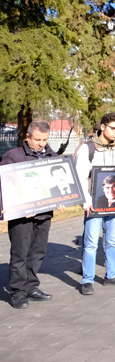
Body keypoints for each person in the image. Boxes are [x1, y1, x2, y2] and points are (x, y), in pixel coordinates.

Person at [74, 112, 115, 295]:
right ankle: (87, 280)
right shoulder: (88, 149)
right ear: (103, 127)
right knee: (91, 242)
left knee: (112, 241)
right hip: (93, 205)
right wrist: (85, 202)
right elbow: (80, 177)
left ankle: (112, 275)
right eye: (113, 128)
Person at [0, 121, 61, 309]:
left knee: (37, 253)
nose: (41, 143)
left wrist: (60, 198)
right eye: (37, 139)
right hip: (21, 217)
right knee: (20, 254)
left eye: (45, 139)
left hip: (44, 215)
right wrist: (6, 207)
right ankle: (17, 292)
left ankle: (31, 287)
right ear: (28, 137)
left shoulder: (53, 157)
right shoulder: (13, 156)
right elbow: (3, 185)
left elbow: (58, 183)